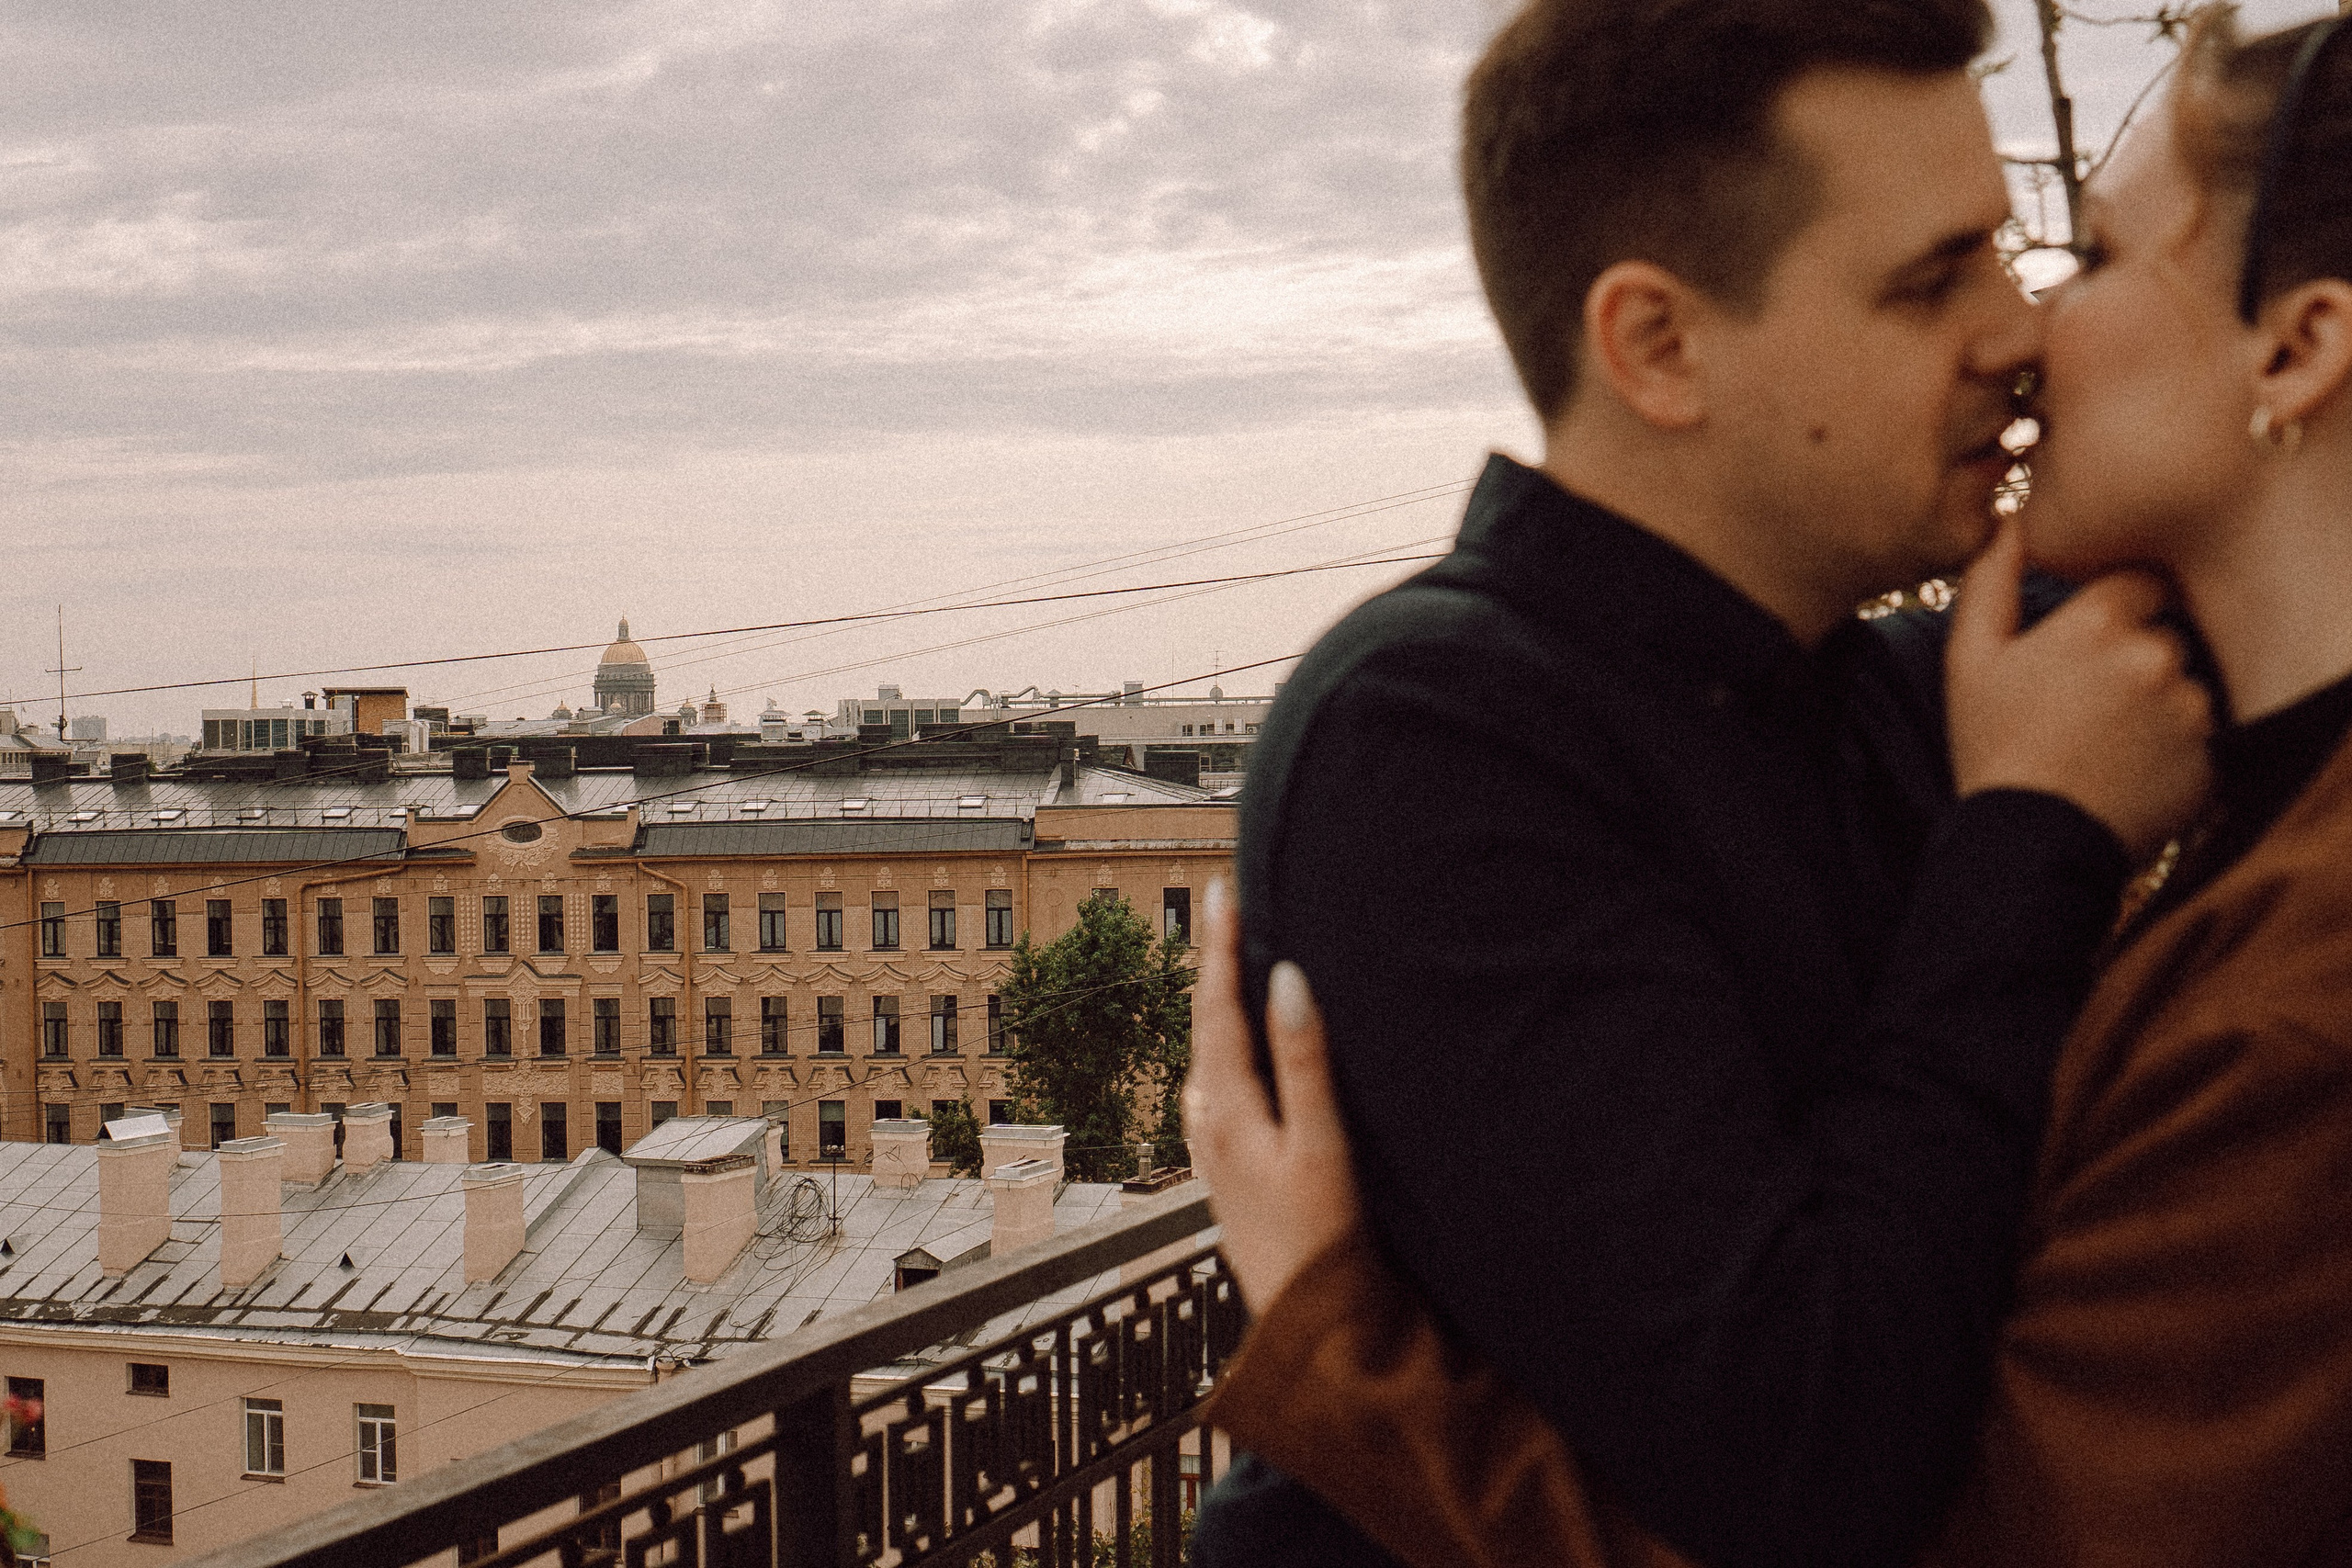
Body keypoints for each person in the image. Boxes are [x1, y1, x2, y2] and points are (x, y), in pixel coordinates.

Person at [1188, 7, 2352, 1567]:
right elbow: (1811, 1456)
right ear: (1660, 346)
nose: (2017, 332)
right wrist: (2032, 842)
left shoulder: (1887, 695)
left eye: (2018, 256)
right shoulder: (1438, 738)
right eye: (1933, 280)